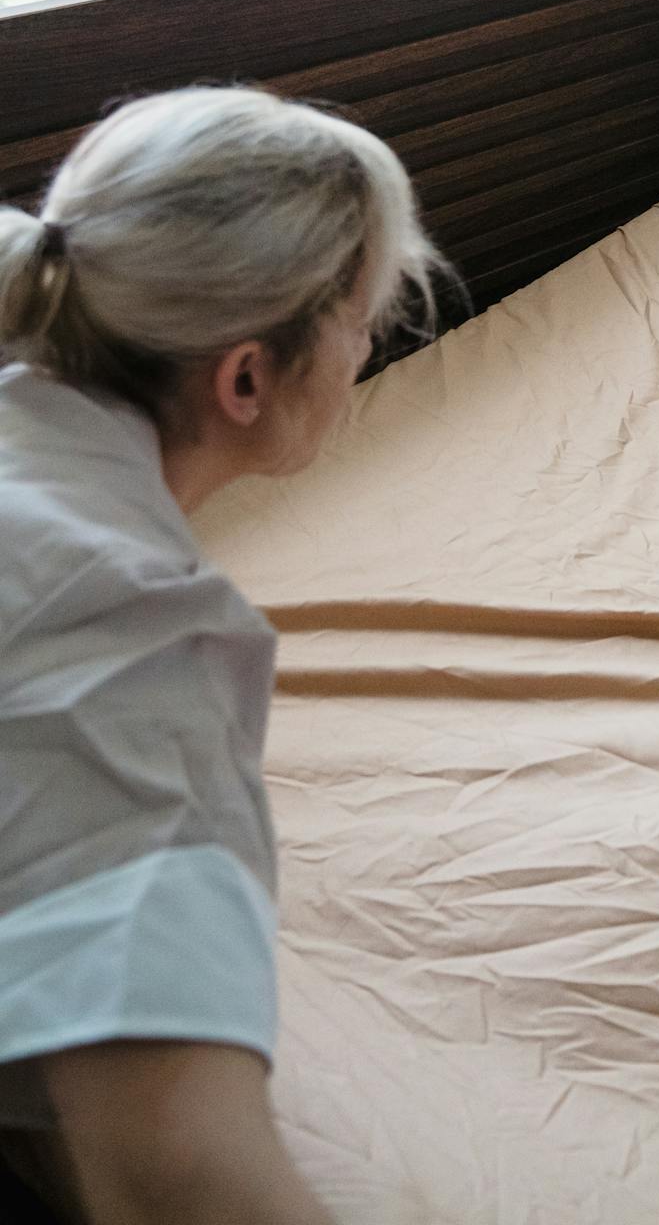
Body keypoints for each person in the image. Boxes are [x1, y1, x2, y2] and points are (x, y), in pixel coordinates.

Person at [0, 86, 441, 1225]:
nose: (371, 341)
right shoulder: (118, 645)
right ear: (245, 378)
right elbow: (174, 1177)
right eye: (360, 315)